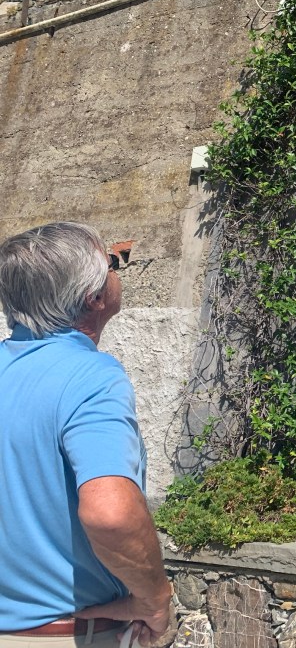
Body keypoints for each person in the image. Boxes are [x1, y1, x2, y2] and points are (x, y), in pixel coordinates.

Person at [0, 222, 172, 647]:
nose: (118, 271)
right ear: (93, 297)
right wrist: (154, 599)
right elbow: (111, 515)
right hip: (61, 635)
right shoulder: (91, 376)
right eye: (113, 263)